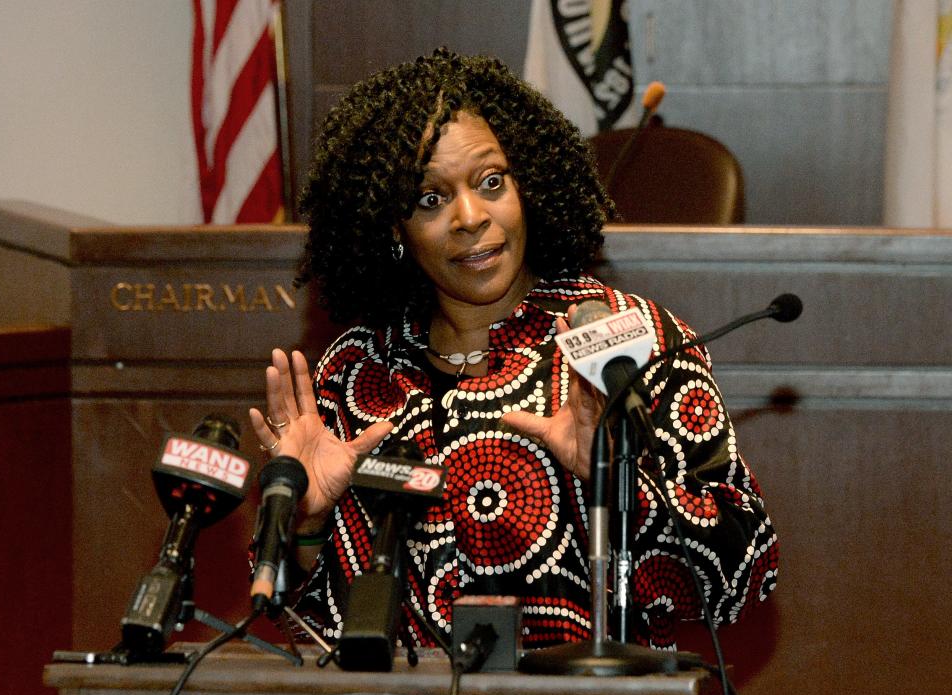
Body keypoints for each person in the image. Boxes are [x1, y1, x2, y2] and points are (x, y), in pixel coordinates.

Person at [249, 48, 777, 651]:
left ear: (529, 186)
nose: (471, 217)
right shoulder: (357, 373)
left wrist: (620, 486)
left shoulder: (627, 339)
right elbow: (291, 620)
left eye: (491, 182)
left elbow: (746, 572)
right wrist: (307, 527)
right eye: (429, 199)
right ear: (392, 230)